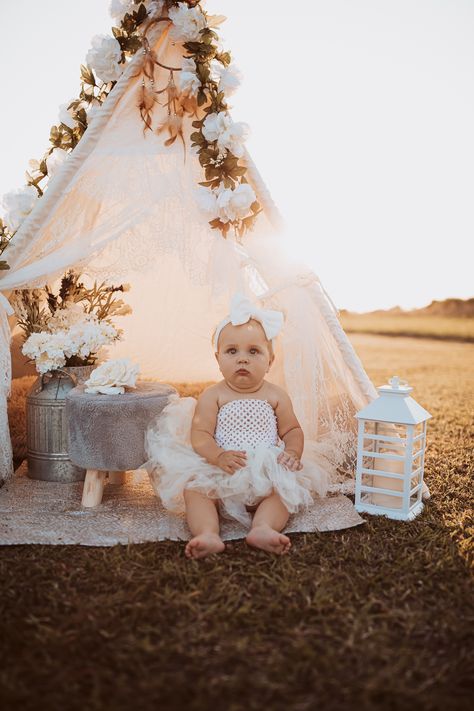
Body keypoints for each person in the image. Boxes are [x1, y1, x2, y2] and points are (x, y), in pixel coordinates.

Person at [146, 293, 328, 559]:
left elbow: (291, 430)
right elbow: (201, 434)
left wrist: (292, 452)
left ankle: (263, 528)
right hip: (223, 466)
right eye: (232, 351)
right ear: (218, 358)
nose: (242, 359)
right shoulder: (213, 395)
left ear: (270, 360)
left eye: (254, 351)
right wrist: (217, 456)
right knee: (195, 489)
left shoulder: (276, 395)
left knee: (284, 493)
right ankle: (207, 533)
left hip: (267, 468)